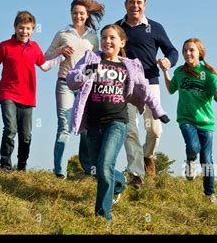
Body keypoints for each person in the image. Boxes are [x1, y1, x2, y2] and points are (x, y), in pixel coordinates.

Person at [67, 24, 170, 221]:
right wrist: (89, 70)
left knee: (105, 163)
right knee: (96, 167)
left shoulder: (129, 66)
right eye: (104, 37)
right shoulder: (91, 59)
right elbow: (72, 80)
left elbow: (145, 90)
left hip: (117, 122)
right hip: (94, 123)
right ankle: (120, 183)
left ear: (122, 42)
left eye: (112, 38)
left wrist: (159, 111)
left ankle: (102, 215)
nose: (107, 41)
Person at [0, 11, 67, 172]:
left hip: (28, 97)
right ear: (15, 27)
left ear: (33, 30)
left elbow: (44, 66)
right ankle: (5, 165)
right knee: (10, 129)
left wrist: (61, 57)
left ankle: (22, 166)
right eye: (21, 28)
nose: (24, 31)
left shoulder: (34, 47)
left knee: (26, 135)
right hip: (8, 93)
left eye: (28, 29)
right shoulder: (5, 46)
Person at [115, 0, 178, 188]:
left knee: (155, 130)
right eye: (132, 2)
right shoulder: (117, 28)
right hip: (125, 87)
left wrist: (168, 61)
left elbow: (172, 50)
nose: (135, 5)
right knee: (130, 129)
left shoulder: (155, 27)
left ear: (144, 5)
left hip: (150, 84)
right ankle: (136, 174)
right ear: (125, 4)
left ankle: (148, 155)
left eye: (139, 2)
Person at [159, 38, 217, 203]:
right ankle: (190, 161)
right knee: (193, 146)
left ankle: (209, 193)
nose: (187, 53)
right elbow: (171, 89)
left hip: (206, 122)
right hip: (186, 118)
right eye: (185, 51)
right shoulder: (180, 72)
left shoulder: (209, 75)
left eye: (191, 50)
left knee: (207, 159)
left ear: (200, 53)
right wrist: (165, 72)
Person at [44, 0, 105, 178]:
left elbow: (97, 62)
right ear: (70, 14)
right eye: (74, 13)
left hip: (85, 86)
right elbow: (45, 57)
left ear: (86, 16)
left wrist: (89, 74)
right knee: (64, 126)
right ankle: (59, 171)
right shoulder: (63, 33)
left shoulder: (93, 37)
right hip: (64, 83)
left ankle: (87, 168)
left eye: (81, 13)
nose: (77, 16)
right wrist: (60, 51)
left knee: (86, 128)